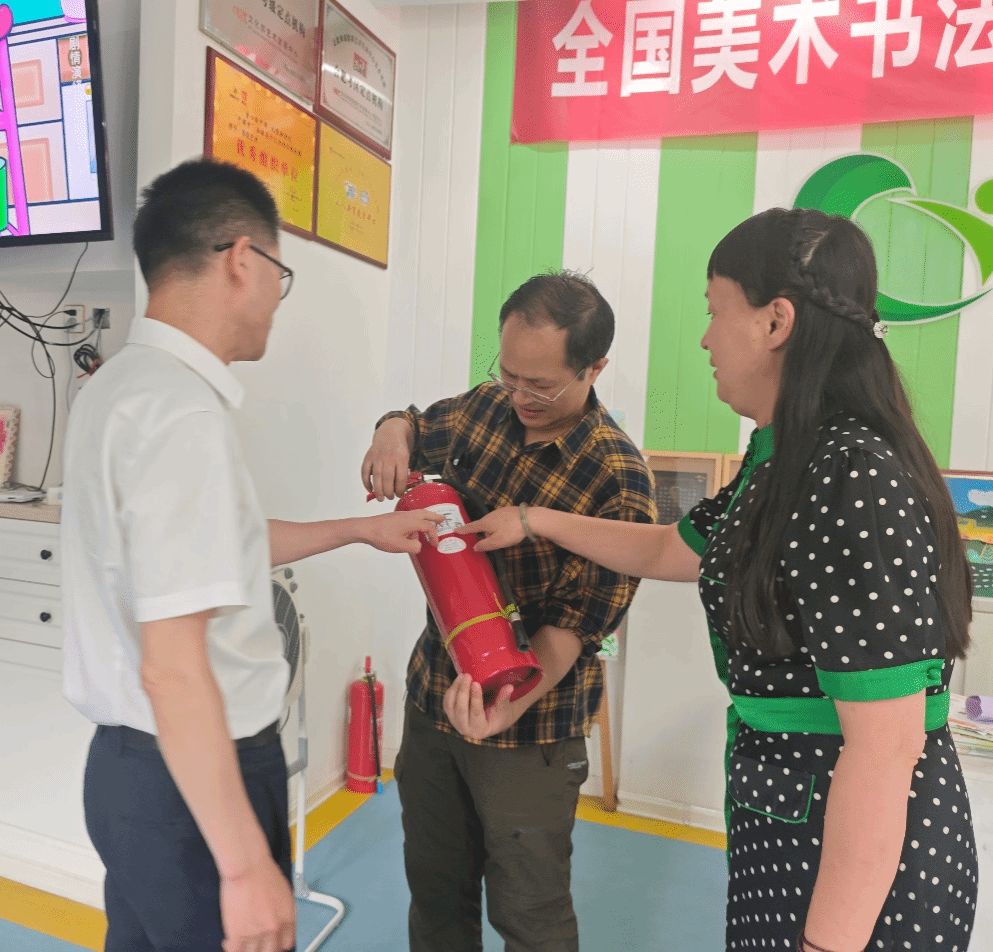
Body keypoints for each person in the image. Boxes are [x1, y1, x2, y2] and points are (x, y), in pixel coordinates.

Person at [458, 207, 979, 951]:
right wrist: (533, 518)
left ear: (775, 322)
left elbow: (886, 748)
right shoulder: (783, 455)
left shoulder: (850, 476)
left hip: (859, 868)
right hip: (790, 817)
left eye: (714, 310)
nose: (704, 338)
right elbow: (673, 549)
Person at [60, 158, 443, 952]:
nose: (275, 296)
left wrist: (357, 529)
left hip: (133, 775)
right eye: (279, 273)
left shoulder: (120, 388)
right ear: (242, 260)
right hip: (196, 781)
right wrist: (242, 866)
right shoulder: (181, 414)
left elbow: (207, 552)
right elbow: (173, 666)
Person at [362, 271, 657, 951]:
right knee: (436, 893)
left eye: (541, 385)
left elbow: (577, 628)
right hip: (435, 698)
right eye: (510, 375)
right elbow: (414, 421)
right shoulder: (485, 410)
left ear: (594, 368)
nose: (520, 397)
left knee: (531, 914)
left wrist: (510, 703)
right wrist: (391, 435)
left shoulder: (618, 480)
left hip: (533, 726)